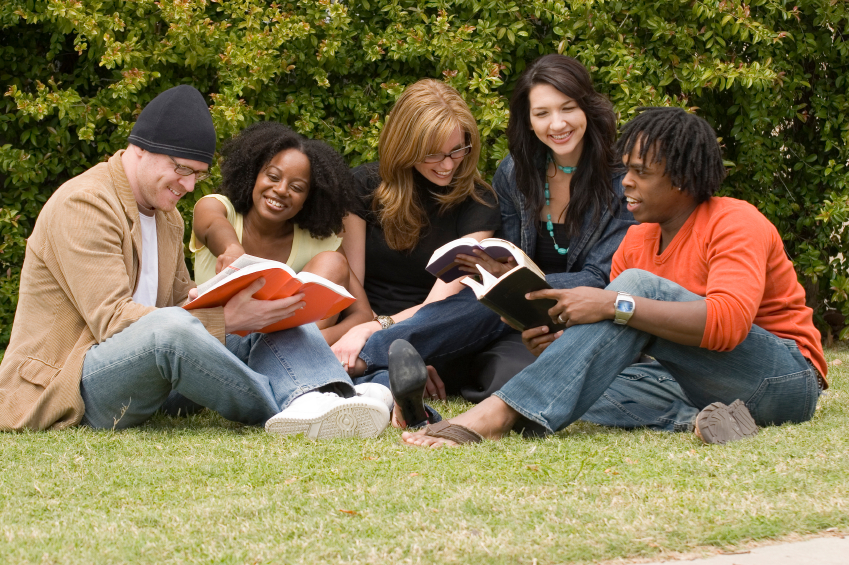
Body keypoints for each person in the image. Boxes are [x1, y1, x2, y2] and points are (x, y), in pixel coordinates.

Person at [401, 106, 827, 448]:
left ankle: (494, 416)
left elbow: (728, 325)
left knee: (633, 290)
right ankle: (708, 421)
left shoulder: (735, 221)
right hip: (690, 382)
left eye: (642, 172)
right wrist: (556, 346)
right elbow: (622, 340)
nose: (626, 183)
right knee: (576, 384)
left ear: (681, 178)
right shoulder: (637, 240)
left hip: (783, 378)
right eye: (627, 170)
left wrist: (614, 303)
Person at [0, 85, 390, 438]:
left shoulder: (165, 214)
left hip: (151, 378)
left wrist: (242, 301)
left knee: (275, 314)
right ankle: (291, 405)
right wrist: (228, 319)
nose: (187, 186)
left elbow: (180, 300)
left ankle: (330, 392)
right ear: (141, 148)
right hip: (73, 385)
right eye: (181, 169)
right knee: (171, 330)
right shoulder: (85, 202)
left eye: (197, 175)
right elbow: (112, 321)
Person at [342, 55, 639, 425]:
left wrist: (379, 324)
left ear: (587, 109)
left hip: (585, 310)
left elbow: (599, 275)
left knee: (505, 345)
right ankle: (407, 396)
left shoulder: (621, 181)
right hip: (515, 321)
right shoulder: (516, 172)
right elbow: (509, 256)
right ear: (528, 121)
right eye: (542, 113)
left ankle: (366, 357)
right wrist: (500, 274)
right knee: (497, 333)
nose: (557, 124)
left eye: (568, 108)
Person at [332, 79, 501, 413]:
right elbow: (352, 280)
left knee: (483, 303)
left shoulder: (479, 201)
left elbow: (443, 300)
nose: (448, 164)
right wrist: (363, 326)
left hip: (435, 329)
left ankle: (387, 374)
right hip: (364, 325)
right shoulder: (364, 185)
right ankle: (391, 380)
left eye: (458, 150)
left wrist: (380, 331)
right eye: (433, 154)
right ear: (404, 145)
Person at [190, 122, 372, 346]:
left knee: (333, 261)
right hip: (217, 344)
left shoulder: (319, 243)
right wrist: (232, 248)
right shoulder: (219, 209)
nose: (281, 190)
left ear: (309, 199)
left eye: (296, 188)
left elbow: (363, 314)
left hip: (286, 350)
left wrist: (316, 341)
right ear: (254, 174)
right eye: (273, 177)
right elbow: (211, 225)